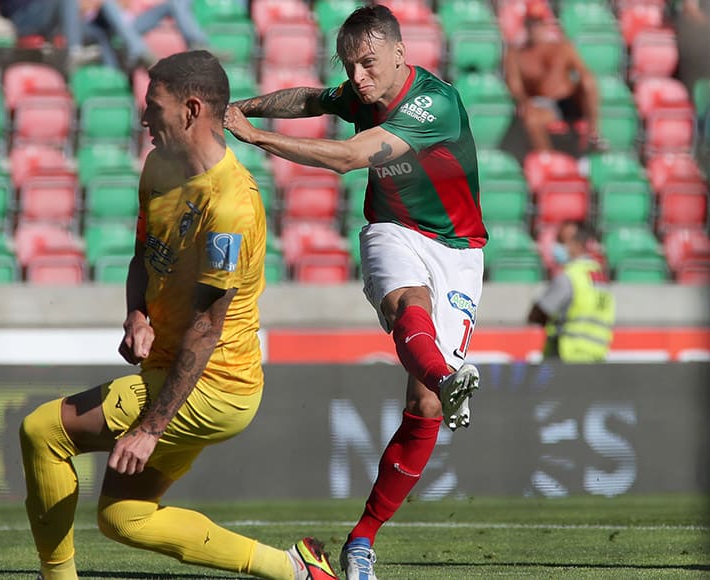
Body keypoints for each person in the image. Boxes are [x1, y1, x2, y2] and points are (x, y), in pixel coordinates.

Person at [19, 50, 337, 580]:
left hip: (215, 383)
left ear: (190, 110)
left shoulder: (231, 206)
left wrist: (150, 427)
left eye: (154, 105)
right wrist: (136, 315)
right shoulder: (159, 168)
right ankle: (296, 570)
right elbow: (144, 255)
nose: (143, 116)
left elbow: (208, 327)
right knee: (125, 518)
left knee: (43, 431)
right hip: (176, 371)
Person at [224, 6, 485, 579]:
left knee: (425, 407)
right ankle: (446, 376)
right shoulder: (361, 92)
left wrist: (255, 136)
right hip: (393, 230)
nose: (357, 77)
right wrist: (244, 106)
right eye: (349, 66)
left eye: (367, 63)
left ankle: (362, 537)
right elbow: (310, 99)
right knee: (408, 305)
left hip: (458, 251)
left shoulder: (433, 105)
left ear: (400, 53)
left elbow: (348, 159)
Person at [503, 4, 601, 153]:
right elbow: (515, 86)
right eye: (532, 23)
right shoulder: (516, 55)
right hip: (543, 104)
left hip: (569, 100)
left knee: (589, 82)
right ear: (526, 25)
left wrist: (585, 84)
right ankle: (548, 158)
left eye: (538, 23)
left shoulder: (562, 47)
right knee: (531, 118)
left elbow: (584, 73)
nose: (535, 28)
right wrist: (525, 102)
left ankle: (593, 136)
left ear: (546, 24)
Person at [527, 221, 615, 362]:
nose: (558, 246)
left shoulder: (570, 276)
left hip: (568, 356)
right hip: (597, 356)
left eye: (562, 241)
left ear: (578, 245)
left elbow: (538, 314)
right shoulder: (601, 278)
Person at [83, 0, 208, 70]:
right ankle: (140, 52)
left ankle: (198, 44)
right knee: (107, 4)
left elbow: (127, 5)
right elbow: (82, 9)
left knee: (174, 4)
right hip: (101, 26)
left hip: (130, 24)